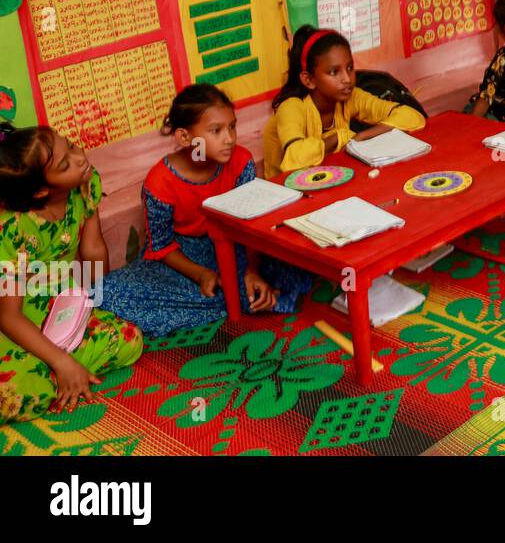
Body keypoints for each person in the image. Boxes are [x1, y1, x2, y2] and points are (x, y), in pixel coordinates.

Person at [98, 85, 313, 337]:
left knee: (298, 257)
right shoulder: (160, 182)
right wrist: (201, 275)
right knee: (110, 290)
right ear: (184, 138)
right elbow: (162, 247)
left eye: (232, 126)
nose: (229, 138)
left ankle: (240, 294)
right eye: (216, 131)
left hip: (236, 246)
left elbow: (252, 227)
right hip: (185, 257)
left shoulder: (240, 161)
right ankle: (240, 296)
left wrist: (251, 270)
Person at [0, 123, 142, 422]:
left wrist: (93, 303)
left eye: (72, 146)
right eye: (65, 164)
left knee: (129, 340)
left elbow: (91, 248)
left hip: (64, 308)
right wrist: (61, 361)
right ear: (41, 190)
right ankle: (61, 370)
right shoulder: (12, 229)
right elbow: (8, 317)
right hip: (18, 323)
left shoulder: (85, 186)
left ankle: (62, 370)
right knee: (19, 392)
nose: (80, 158)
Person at [264, 25, 426, 178]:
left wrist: (363, 136)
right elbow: (295, 158)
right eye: (334, 72)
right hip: (287, 193)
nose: (347, 79)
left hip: (330, 178)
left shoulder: (350, 96)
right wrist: (339, 137)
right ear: (309, 80)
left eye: (349, 68)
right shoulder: (291, 107)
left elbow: (412, 117)